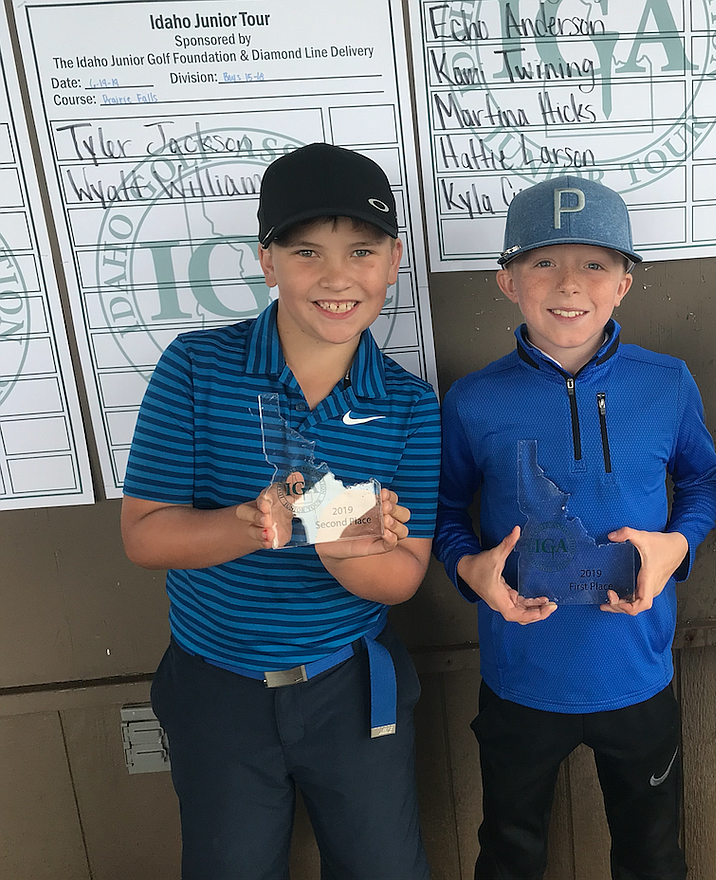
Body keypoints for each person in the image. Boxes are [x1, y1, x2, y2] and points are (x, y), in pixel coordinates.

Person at [120, 142, 439, 880]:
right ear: (267, 262)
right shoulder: (195, 369)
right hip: (216, 686)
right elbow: (144, 537)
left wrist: (342, 551)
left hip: (352, 685)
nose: (337, 278)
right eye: (306, 252)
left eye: (362, 251)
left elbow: (403, 577)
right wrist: (246, 520)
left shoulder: (410, 405)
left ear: (393, 261)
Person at [434, 175, 716, 879]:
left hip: (637, 671)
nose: (570, 284)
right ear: (507, 280)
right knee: (509, 851)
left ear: (624, 282)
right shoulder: (474, 400)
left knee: (654, 855)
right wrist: (468, 569)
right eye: (543, 262)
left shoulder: (668, 383)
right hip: (521, 674)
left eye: (594, 263)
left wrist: (676, 544)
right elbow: (445, 516)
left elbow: (704, 481)